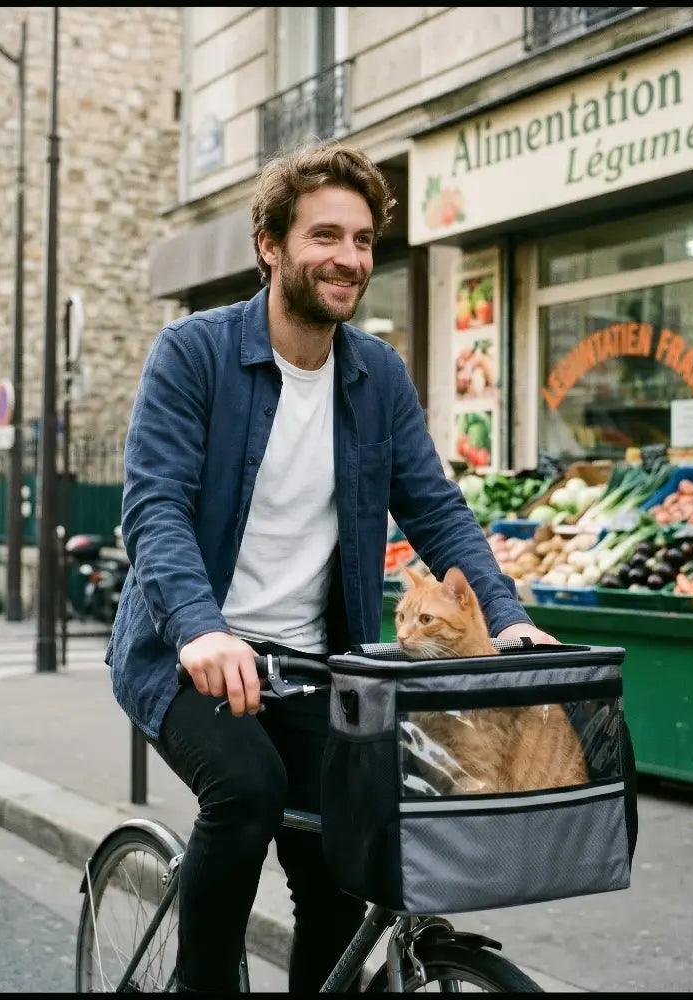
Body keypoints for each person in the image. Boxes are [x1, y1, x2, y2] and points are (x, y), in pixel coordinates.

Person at [105, 141, 558, 994]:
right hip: (189, 656)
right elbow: (155, 506)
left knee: (342, 877)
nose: (348, 258)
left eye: (361, 240)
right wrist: (201, 629)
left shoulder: (376, 375)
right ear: (270, 245)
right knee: (247, 793)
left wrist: (504, 616)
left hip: (313, 667)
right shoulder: (194, 354)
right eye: (324, 236)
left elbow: (434, 507)